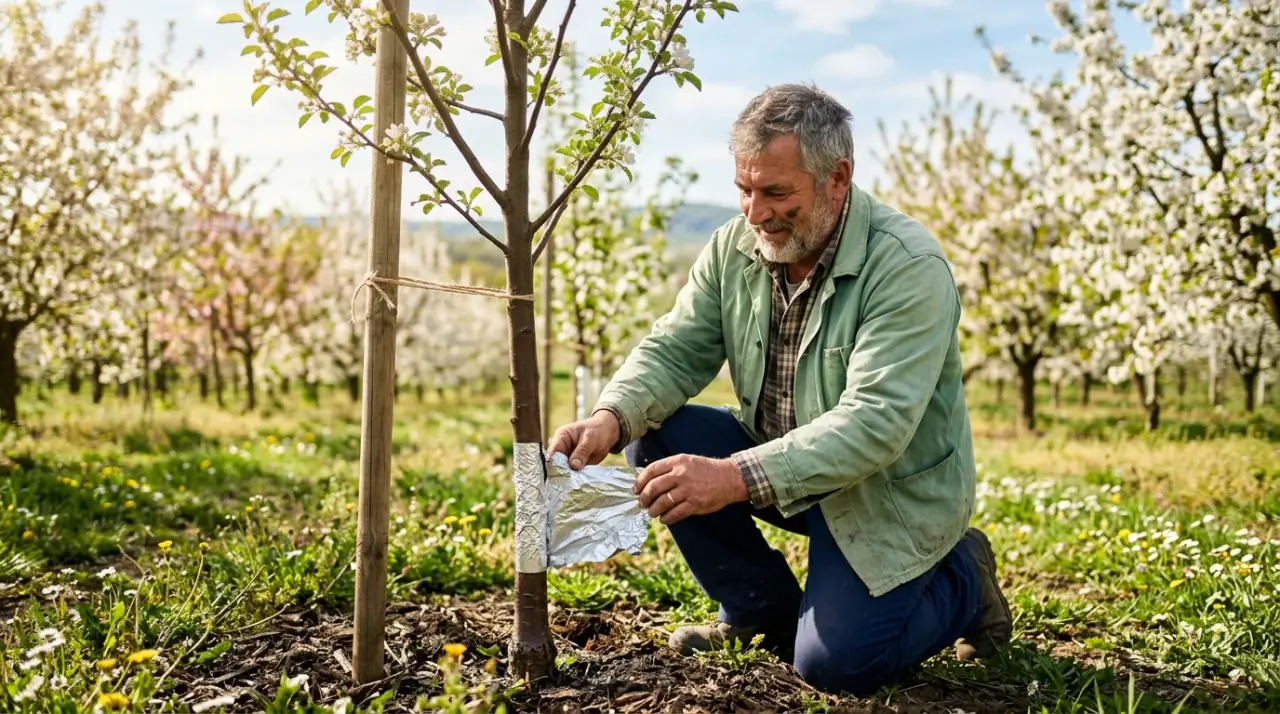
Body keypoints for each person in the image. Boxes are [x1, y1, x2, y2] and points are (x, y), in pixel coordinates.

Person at [546, 83, 1011, 697]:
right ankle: (758, 613)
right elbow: (676, 348)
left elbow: (874, 424)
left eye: (776, 192)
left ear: (837, 178)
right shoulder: (733, 248)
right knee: (655, 432)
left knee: (836, 668)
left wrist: (731, 476)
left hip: (884, 494)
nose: (755, 212)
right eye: (744, 189)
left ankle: (964, 579)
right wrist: (612, 415)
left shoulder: (906, 267)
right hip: (781, 465)